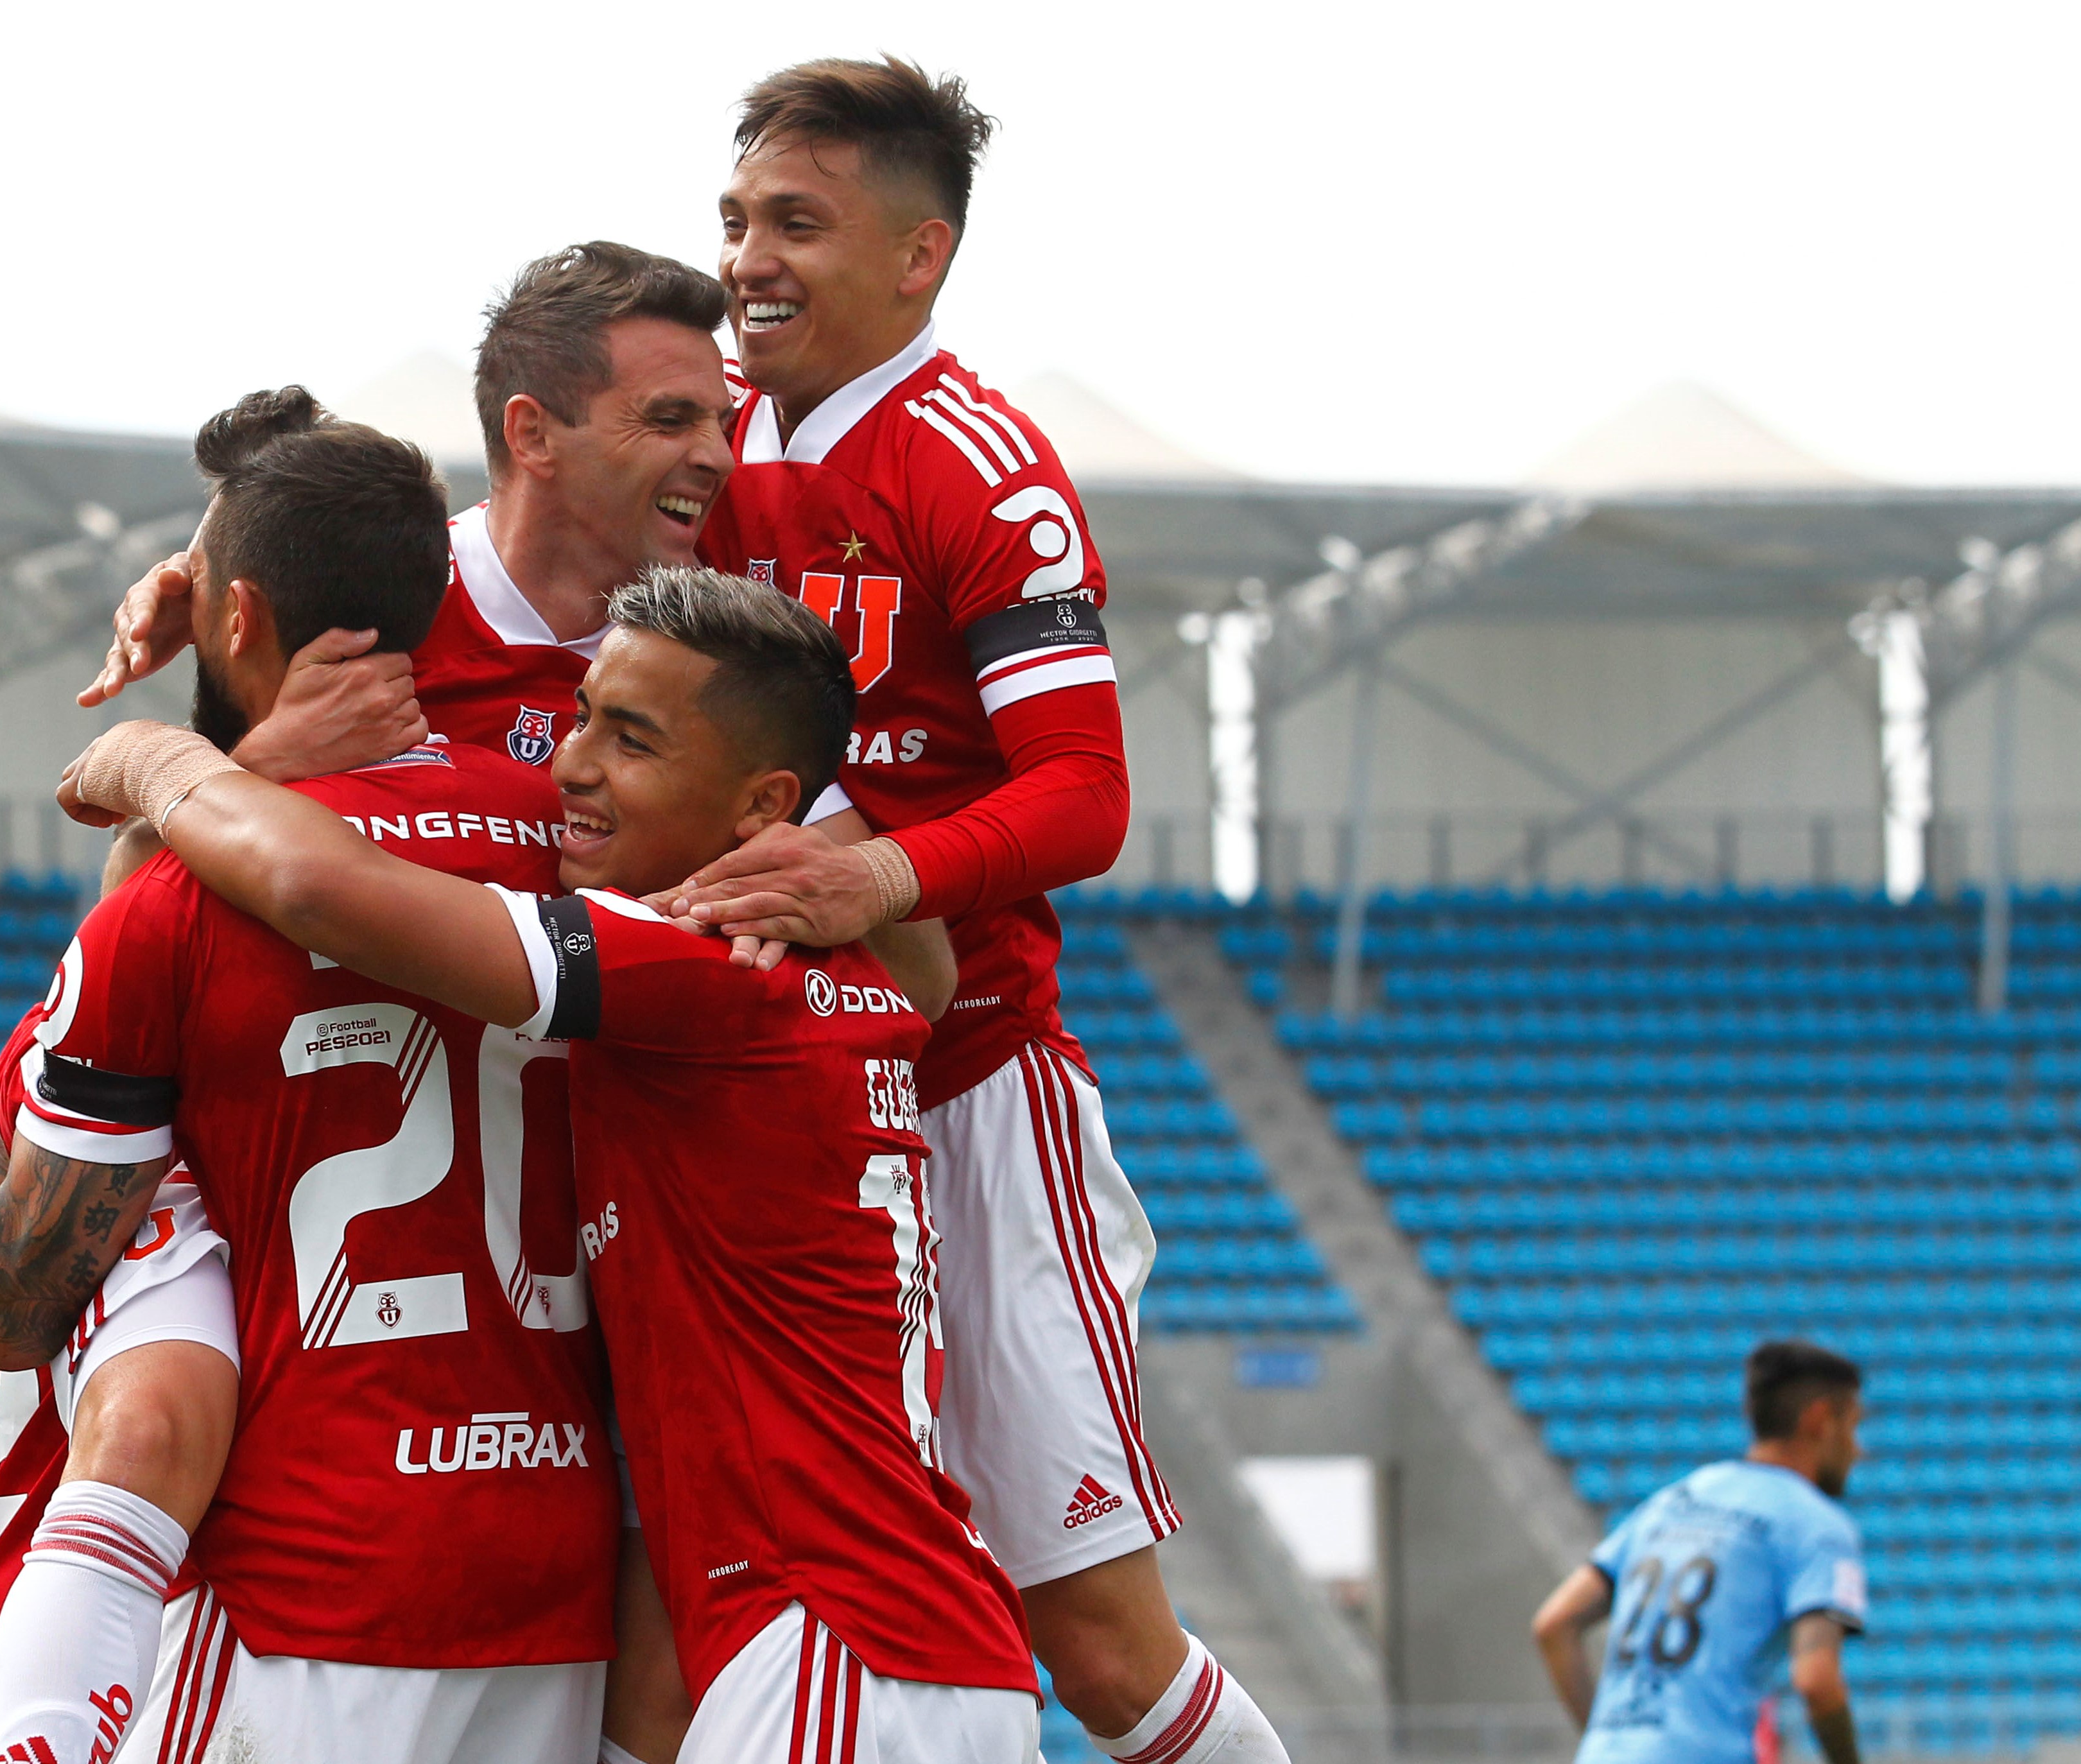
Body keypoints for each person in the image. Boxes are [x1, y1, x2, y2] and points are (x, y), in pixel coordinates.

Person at [55, 567, 1040, 1763]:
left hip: (841, 1645)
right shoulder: (842, 969)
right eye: (578, 714)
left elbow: (320, 885)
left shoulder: (699, 962)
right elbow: (925, 968)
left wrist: (156, 760)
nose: (569, 764)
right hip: (865, 1642)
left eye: (629, 740)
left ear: (760, 806)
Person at [652, 58, 1289, 1761]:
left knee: (1092, 1642)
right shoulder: (709, 432)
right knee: (666, 1594)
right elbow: (513, 537)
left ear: (919, 254)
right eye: (733, 219)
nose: (747, 258)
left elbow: (1084, 790)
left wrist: (874, 873)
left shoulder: (977, 467)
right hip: (752, 1102)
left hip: (968, 1096)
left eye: (796, 221)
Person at [0, 388, 616, 1764]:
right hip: (560, 1597)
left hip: (302, 1590)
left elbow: (14, 1294)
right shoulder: (588, 850)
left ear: (232, 617)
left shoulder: (169, 911)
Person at [78, 241, 734, 759]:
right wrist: (242, 769)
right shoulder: (360, 599)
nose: (718, 458)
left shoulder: (733, 648)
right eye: (668, 420)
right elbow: (151, 876)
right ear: (530, 434)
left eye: (723, 426)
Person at [1531, 1342, 1870, 1764]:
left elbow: (1554, 1624)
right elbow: (1816, 1681)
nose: (1859, 1449)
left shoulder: (1671, 1502)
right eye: (1854, 1426)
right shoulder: (1815, 1524)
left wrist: (1605, 1742)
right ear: (1819, 1420)